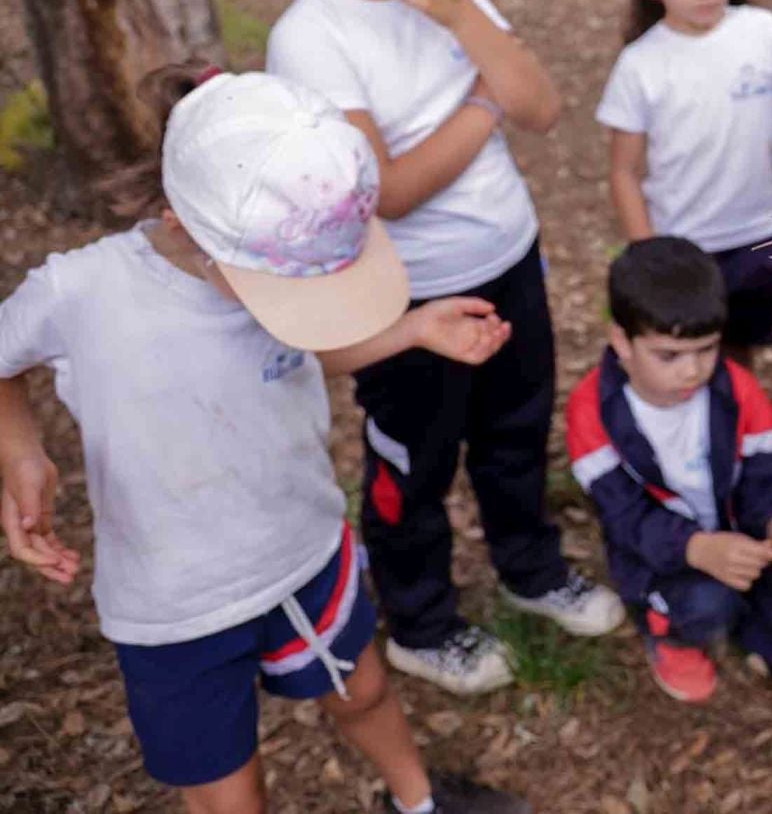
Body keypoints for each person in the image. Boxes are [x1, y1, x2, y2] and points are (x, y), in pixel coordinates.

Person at [0, 67, 530, 814]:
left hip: (306, 549)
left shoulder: (266, 265)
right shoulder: (80, 292)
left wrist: (410, 328)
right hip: (177, 606)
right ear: (181, 219)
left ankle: (418, 801)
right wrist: (21, 454)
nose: (309, 305)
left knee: (365, 690)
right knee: (230, 789)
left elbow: (302, 343)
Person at [266, 0, 622, 697]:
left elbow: (539, 106)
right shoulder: (309, 38)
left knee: (512, 434)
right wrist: (479, 105)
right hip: (405, 301)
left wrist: (465, 17)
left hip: (508, 258)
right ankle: (422, 621)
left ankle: (530, 567)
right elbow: (382, 188)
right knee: (410, 464)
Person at [564, 237, 772, 704]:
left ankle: (755, 619)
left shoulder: (737, 388)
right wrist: (695, 547)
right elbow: (624, 516)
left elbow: (768, 475)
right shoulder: (591, 411)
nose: (692, 371)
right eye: (669, 355)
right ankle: (668, 631)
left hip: (747, 540)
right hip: (663, 555)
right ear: (622, 341)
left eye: (707, 349)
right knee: (707, 605)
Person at [597, 0, 772, 366]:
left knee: (739, 364)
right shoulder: (640, 66)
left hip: (758, 238)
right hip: (682, 249)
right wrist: (650, 257)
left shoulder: (765, 33)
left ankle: (740, 439)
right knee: (684, 363)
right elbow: (624, 172)